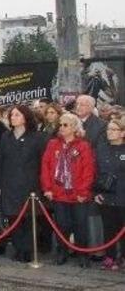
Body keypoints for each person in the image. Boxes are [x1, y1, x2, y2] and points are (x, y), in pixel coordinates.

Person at [41, 113, 96, 267]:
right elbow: (45, 166)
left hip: (77, 194)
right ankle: (62, 252)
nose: (62, 127)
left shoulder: (83, 146)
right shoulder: (53, 144)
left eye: (65, 125)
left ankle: (82, 255)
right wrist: (47, 188)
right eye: (61, 124)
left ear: (74, 127)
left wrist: (83, 192)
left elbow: (88, 171)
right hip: (58, 193)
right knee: (62, 225)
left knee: (80, 225)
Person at [0, 105, 47, 263]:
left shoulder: (38, 137)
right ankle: (19, 248)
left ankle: (27, 250)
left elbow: (43, 163)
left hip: (31, 185)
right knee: (13, 218)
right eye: (12, 115)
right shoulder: (6, 136)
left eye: (17, 115)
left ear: (26, 117)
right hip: (9, 184)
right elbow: (0, 162)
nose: (13, 117)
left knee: (29, 219)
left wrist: (43, 185)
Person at [93, 117, 125, 270]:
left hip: (123, 196)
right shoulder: (101, 149)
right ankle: (110, 257)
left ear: (122, 133)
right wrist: (96, 192)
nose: (110, 132)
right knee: (109, 228)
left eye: (114, 130)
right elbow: (96, 173)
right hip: (107, 196)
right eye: (108, 129)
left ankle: (123, 258)